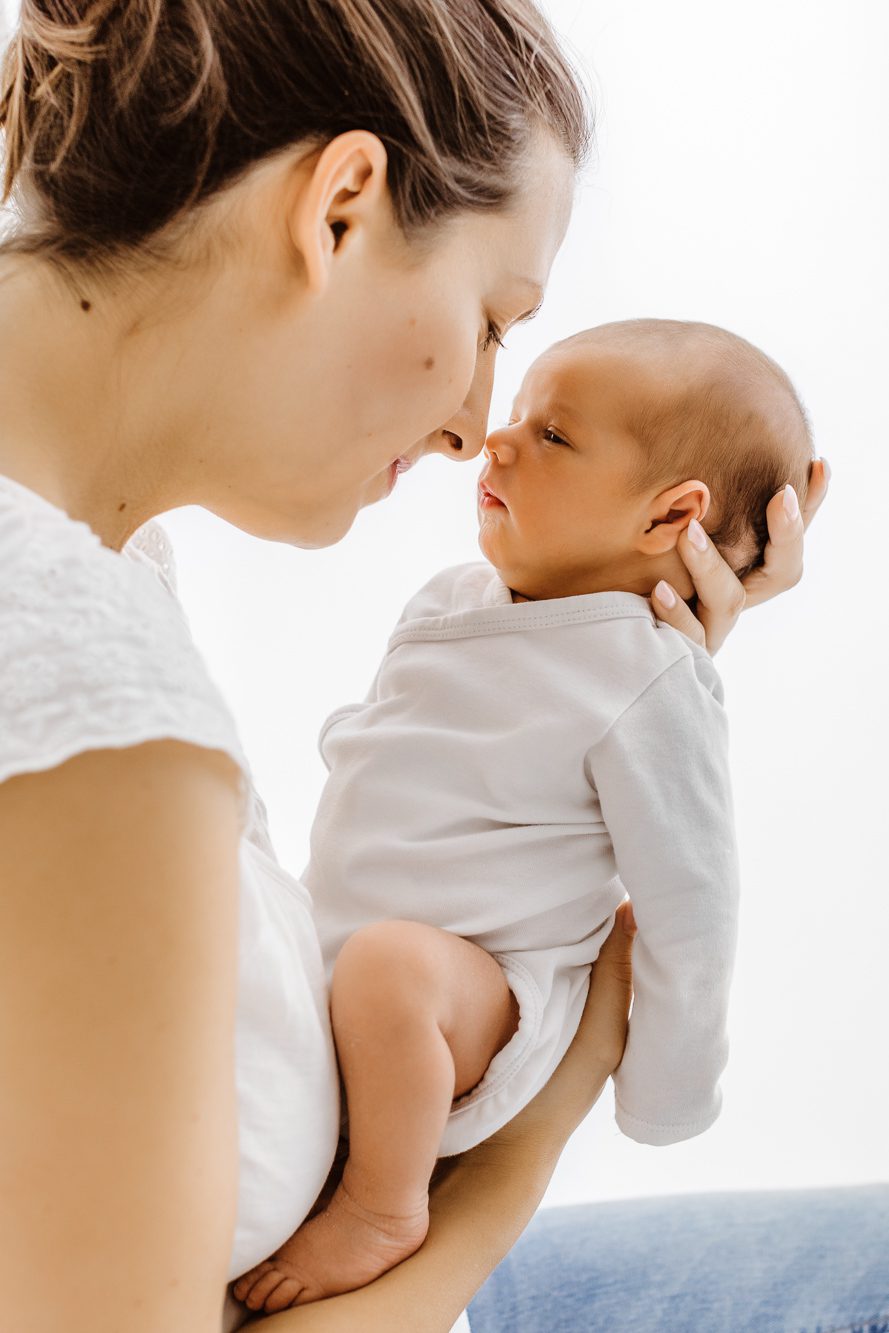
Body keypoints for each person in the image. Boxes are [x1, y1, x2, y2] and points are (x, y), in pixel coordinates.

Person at [0, 2, 875, 1332]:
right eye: (490, 318)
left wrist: (619, 637)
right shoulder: (97, 718)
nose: (474, 427)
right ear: (340, 205)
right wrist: (575, 1069)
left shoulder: (97, 561)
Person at [232, 318, 813, 1312]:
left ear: (671, 513)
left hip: (488, 997)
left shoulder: (651, 680)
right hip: (358, 962)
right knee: (369, 963)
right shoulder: (452, 596)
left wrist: (665, 1094)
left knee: (389, 968)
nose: (495, 440)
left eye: (552, 436)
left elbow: (693, 899)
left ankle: (384, 1204)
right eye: (518, 417)